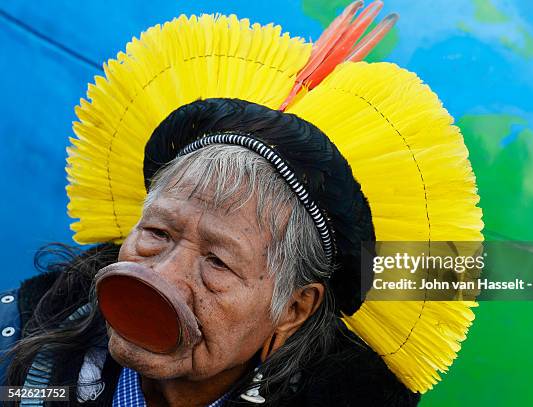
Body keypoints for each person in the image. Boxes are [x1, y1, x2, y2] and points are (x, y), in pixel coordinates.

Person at [0, 1, 483, 406]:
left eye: (217, 261)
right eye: (157, 233)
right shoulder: (17, 349)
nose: (162, 277)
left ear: (294, 308)